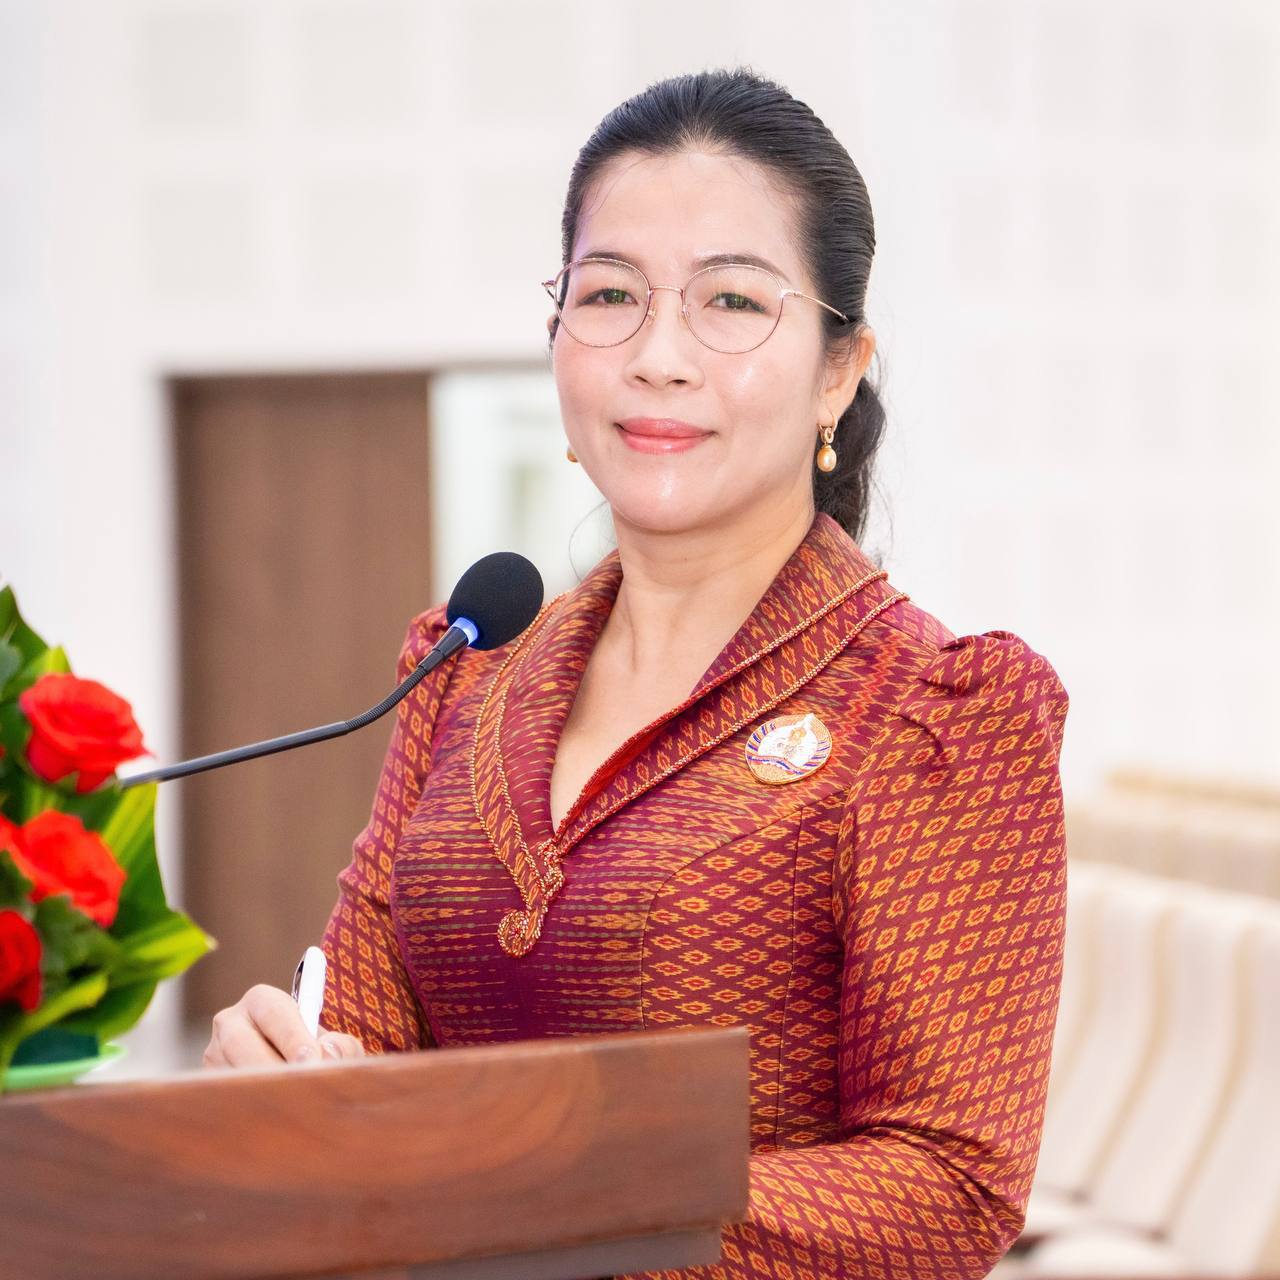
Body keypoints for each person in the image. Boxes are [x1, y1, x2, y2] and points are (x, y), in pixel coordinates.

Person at [204, 67, 1070, 1280]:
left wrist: (524, 1182)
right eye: (609, 293)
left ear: (836, 370)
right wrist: (287, 1074)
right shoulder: (463, 673)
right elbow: (364, 1042)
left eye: (731, 301)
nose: (658, 355)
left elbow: (944, 1189)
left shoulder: (933, 710)